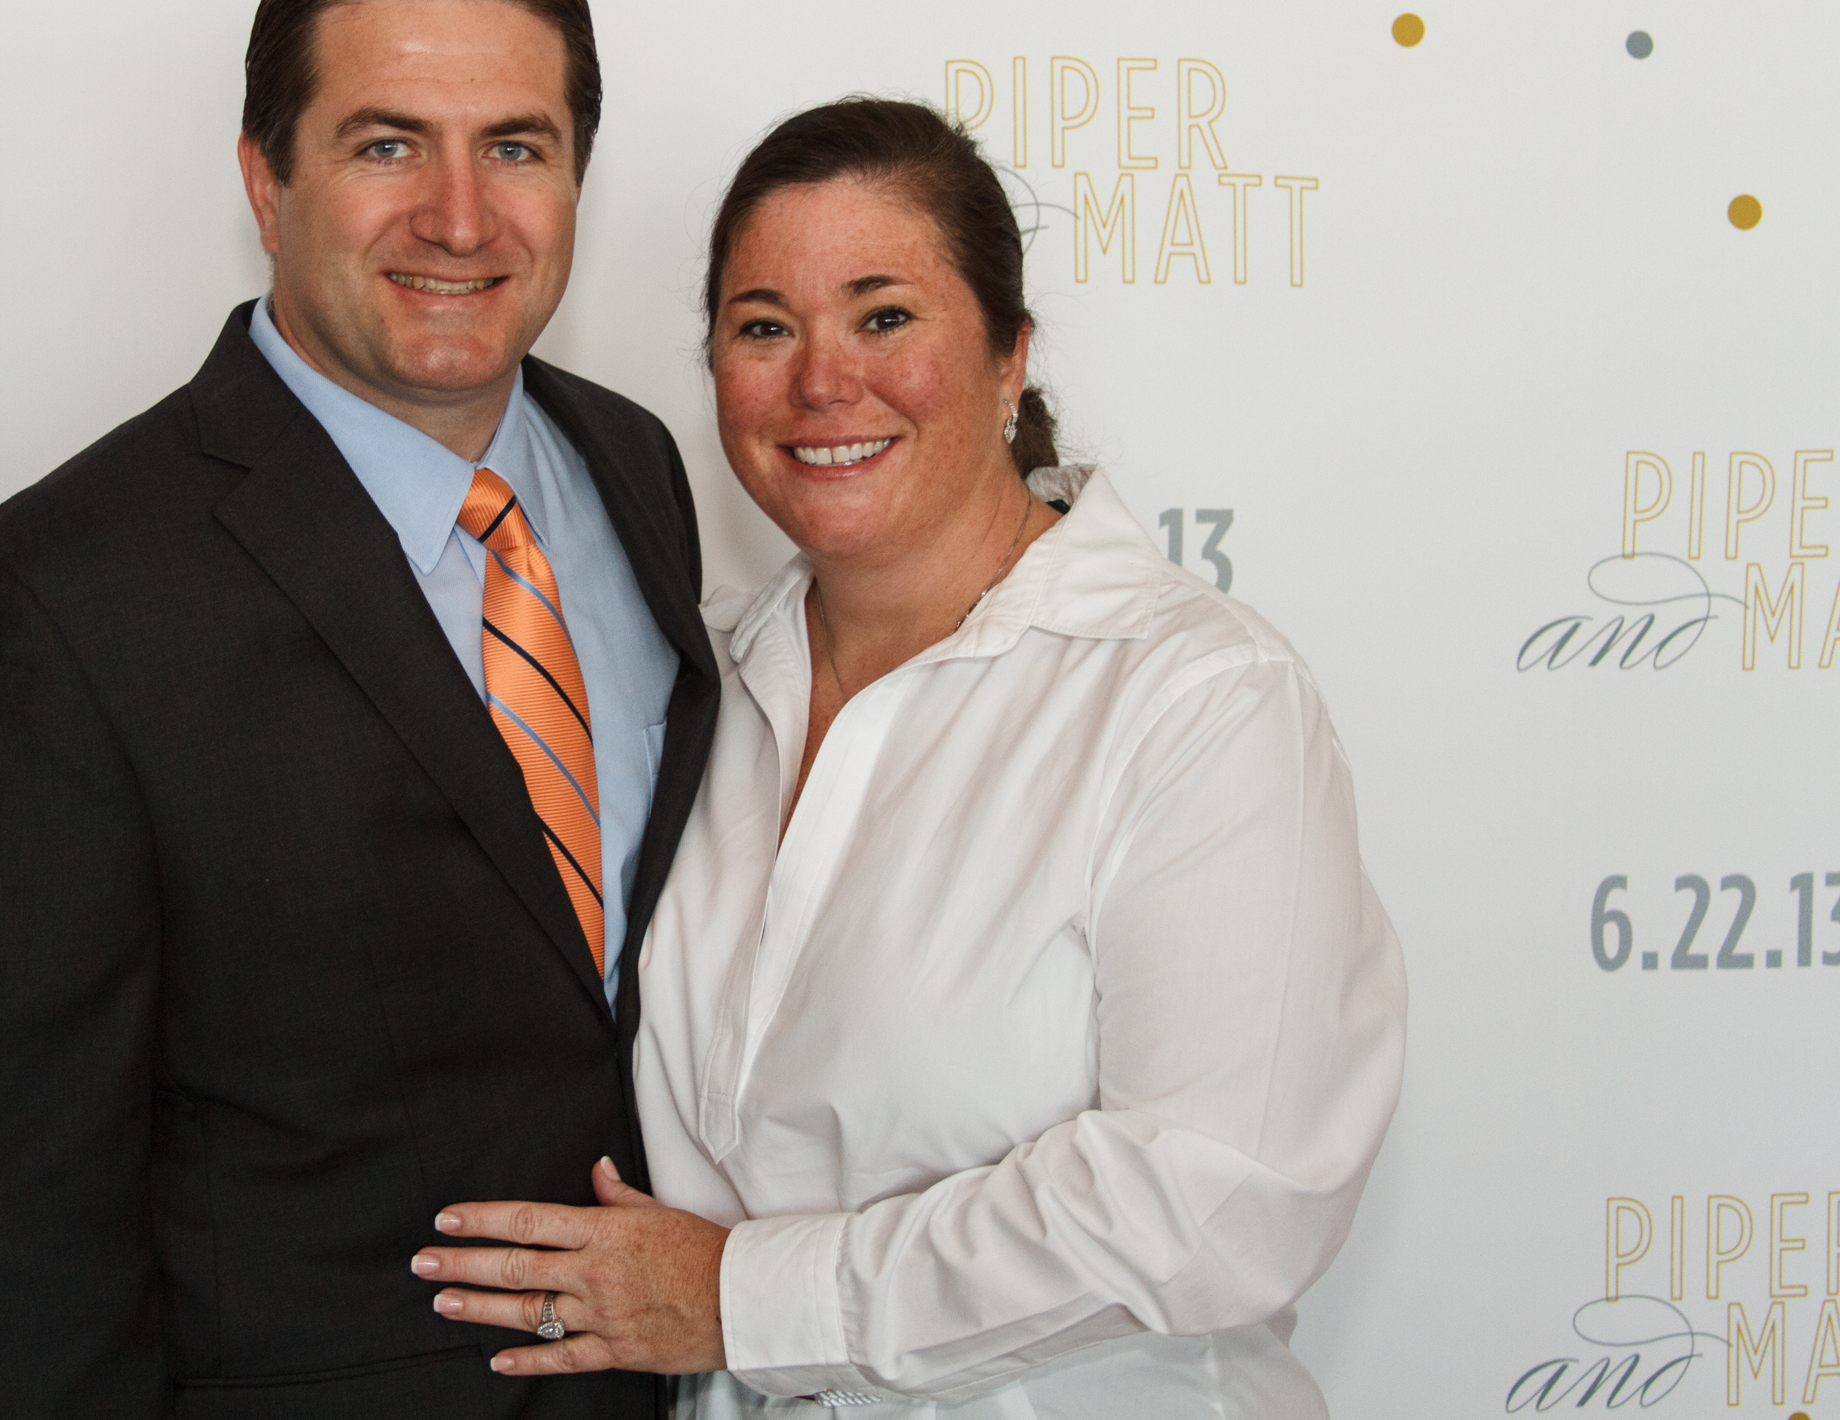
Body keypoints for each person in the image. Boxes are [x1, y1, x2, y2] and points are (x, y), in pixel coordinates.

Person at [0, 0, 719, 1420]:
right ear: (266, 179)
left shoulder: (634, 466)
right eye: (388, 145)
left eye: (516, 148)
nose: (461, 217)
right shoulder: (43, 609)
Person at [415, 99, 1408, 1416]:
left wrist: (738, 1299)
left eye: (884, 316)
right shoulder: (698, 686)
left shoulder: (1197, 701)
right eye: (763, 327)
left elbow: (1215, 1203)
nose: (823, 383)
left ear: (1009, 356)